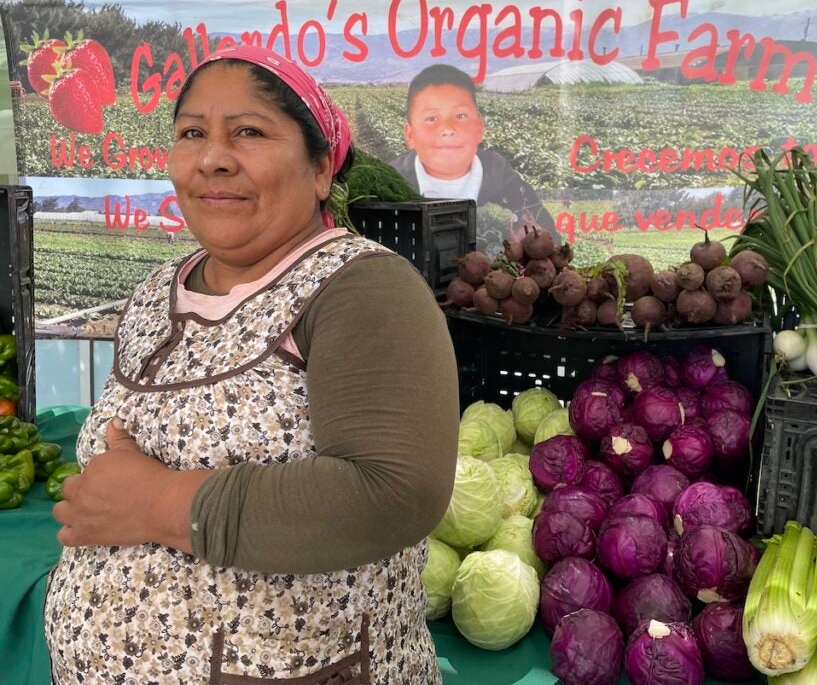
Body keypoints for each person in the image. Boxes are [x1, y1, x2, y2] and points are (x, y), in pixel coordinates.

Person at [45, 44, 460, 684]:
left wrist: (158, 502)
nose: (213, 157)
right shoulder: (161, 289)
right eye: (192, 133)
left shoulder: (362, 289)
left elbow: (393, 492)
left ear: (321, 169)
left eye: (249, 132)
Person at [389, 63, 558, 243]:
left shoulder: (512, 189)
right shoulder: (387, 190)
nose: (447, 129)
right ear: (410, 135)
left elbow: (550, 245)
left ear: (479, 128)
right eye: (431, 118)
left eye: (460, 116)